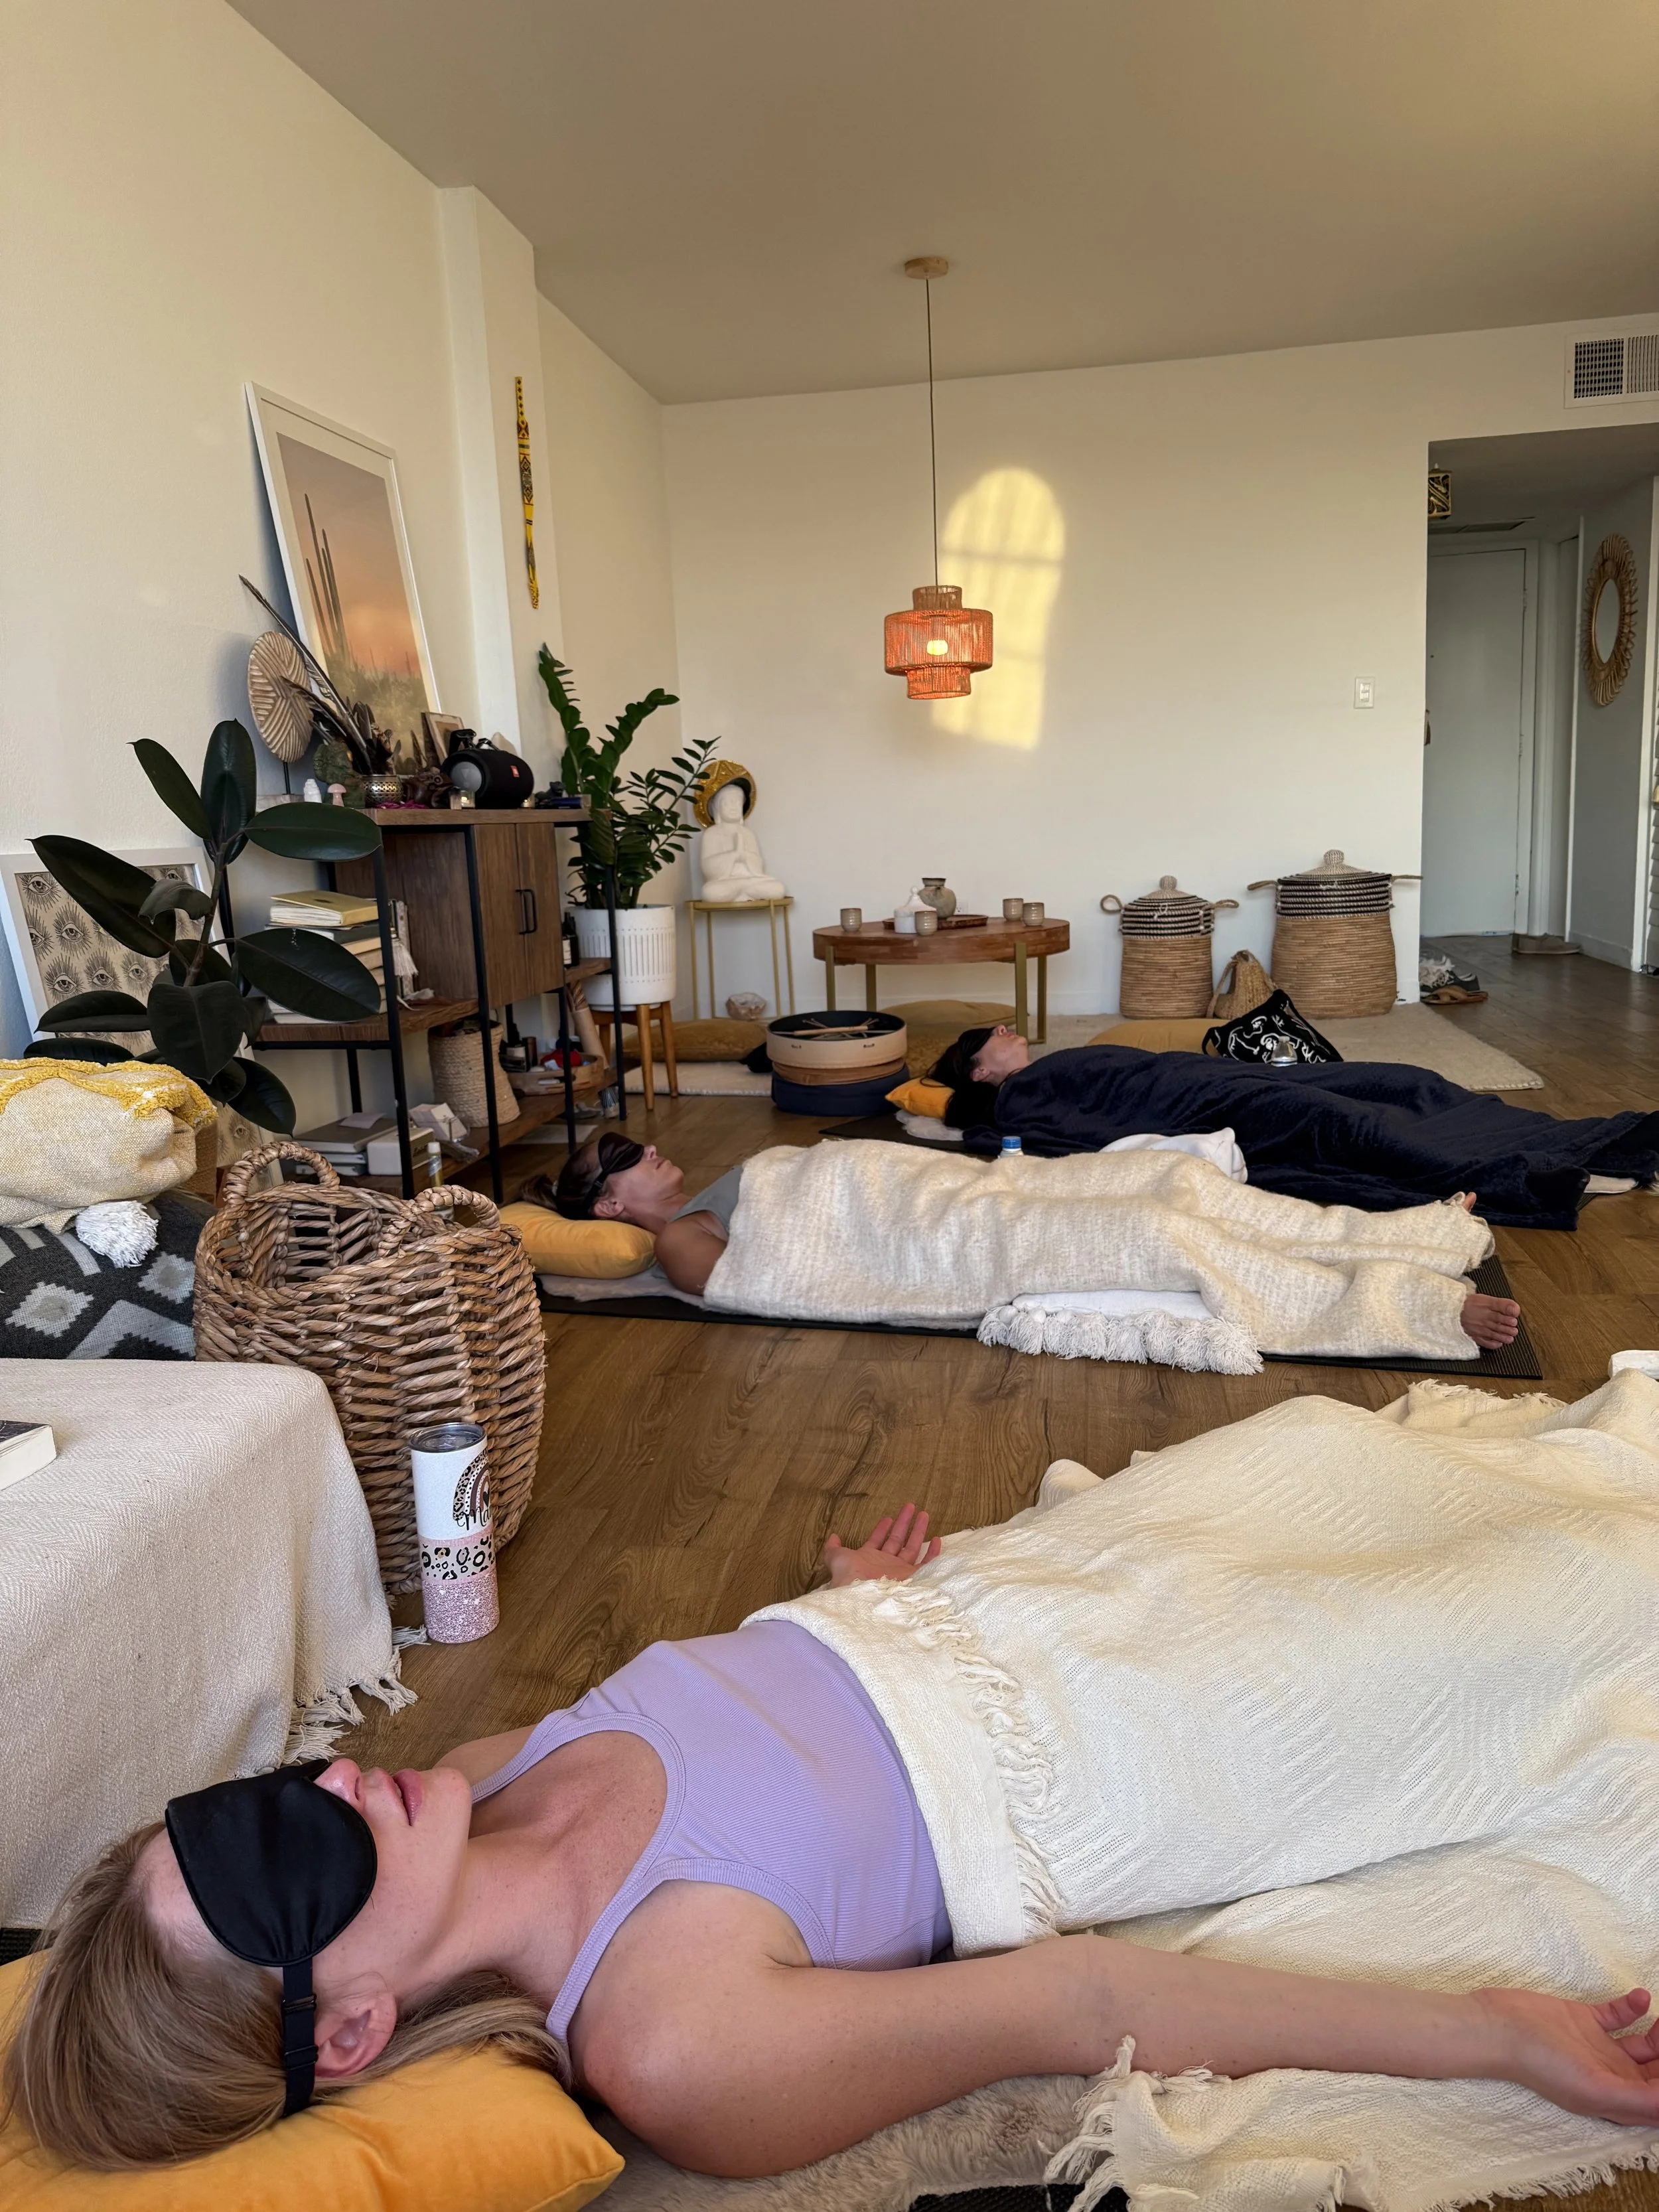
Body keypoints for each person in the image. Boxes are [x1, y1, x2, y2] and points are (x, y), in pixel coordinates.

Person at [11, 1497, 1659, 2179]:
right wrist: (1498, 2036)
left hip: (1012, 1607)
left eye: (256, 1803)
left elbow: (749, 1718)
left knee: (1384, 1491)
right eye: (282, 1871)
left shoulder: (483, 1769)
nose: (329, 1793)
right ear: (351, 2025)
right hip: (1137, 1738)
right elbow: (1077, 2006)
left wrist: (838, 1614)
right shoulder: (667, 2035)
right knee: (1582, 1594)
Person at [528, 1130, 1523, 1349]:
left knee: (1174, 1175)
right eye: (625, 1156)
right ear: (609, 1209)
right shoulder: (673, 1246)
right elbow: (785, 1274)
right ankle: (1416, 1303)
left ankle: (1411, 1234)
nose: (650, 1148)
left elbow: (855, 1166)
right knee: (1157, 1232)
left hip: (974, 1187)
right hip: (948, 1240)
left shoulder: (719, 1189)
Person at [926, 1025, 1659, 1230]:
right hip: (1212, 1107)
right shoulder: (1024, 1095)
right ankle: (1539, 1167)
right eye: (985, 1038)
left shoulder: (1062, 1057)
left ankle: (1577, 1138)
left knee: (1399, 1080)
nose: (1002, 1028)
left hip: (1218, 1077)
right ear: (982, 1073)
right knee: (1329, 1122)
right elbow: (1073, 1136)